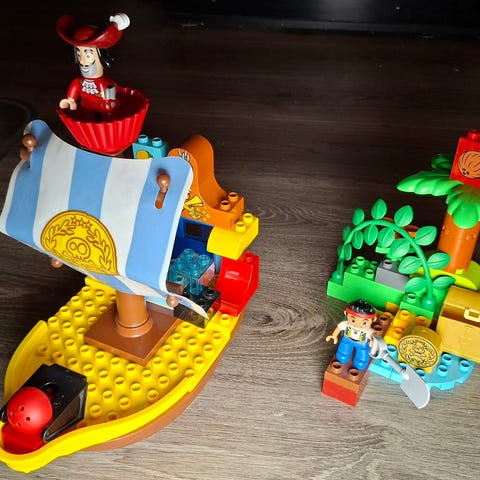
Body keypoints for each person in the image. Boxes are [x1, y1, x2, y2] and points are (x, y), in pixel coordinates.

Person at [57, 13, 130, 114]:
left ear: (101, 56)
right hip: (85, 105)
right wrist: (70, 100)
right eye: (79, 55)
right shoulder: (79, 81)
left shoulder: (106, 83)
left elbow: (112, 94)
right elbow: (74, 90)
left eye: (88, 56)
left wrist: (110, 102)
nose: (83, 62)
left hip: (103, 107)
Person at [326, 299, 377, 370]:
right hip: (347, 340)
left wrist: (373, 341)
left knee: (361, 360)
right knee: (342, 355)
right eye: (353, 320)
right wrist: (334, 336)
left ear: (373, 320)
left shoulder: (367, 330)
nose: (357, 325)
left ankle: (360, 362)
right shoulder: (346, 324)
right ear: (345, 313)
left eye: (364, 323)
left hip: (362, 344)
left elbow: (373, 335)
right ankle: (343, 356)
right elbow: (339, 328)